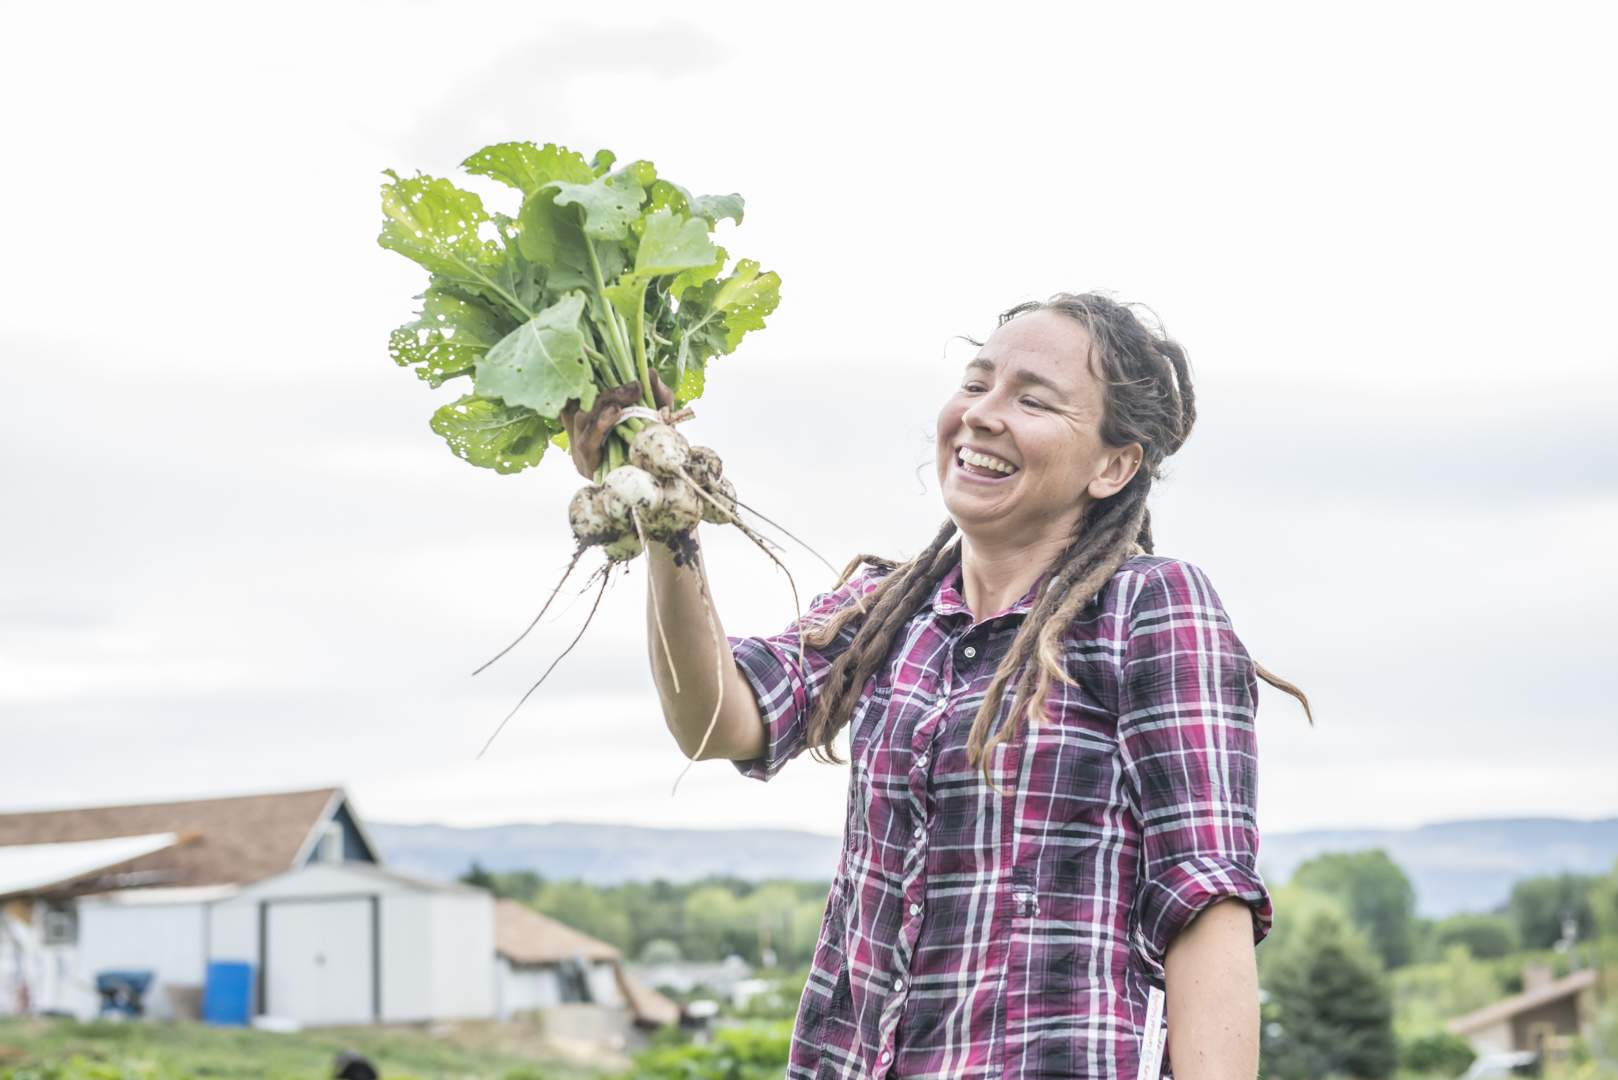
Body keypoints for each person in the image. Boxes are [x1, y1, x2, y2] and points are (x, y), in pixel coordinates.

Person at [562, 292, 1313, 1080]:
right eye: (977, 382)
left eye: (1033, 399)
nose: (984, 414)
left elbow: (1207, 903)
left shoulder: (1149, 608)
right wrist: (666, 520)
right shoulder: (888, 610)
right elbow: (716, 719)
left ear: (1113, 465)